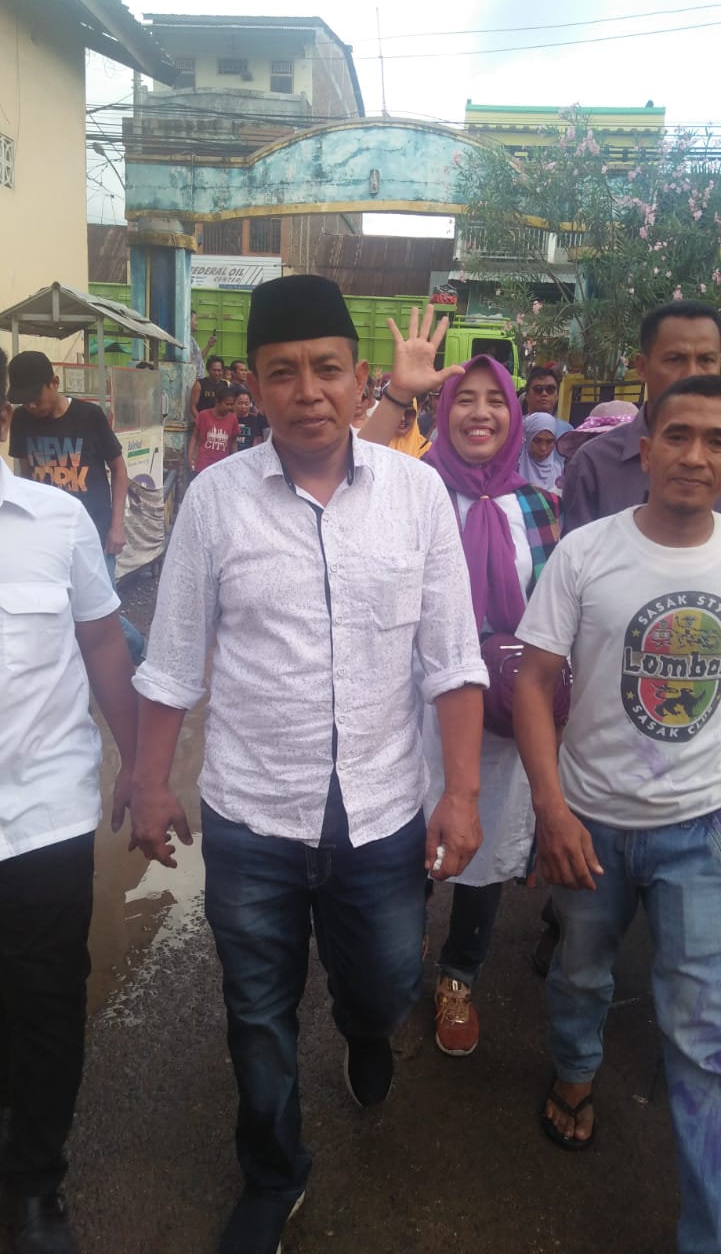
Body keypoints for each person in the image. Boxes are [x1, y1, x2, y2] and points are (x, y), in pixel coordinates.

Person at [129, 276, 487, 1254]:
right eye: (281, 372)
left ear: (359, 376)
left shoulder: (416, 495)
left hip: (383, 812)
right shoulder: (215, 502)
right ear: (253, 386)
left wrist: (460, 793)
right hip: (253, 815)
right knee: (257, 1010)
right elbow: (173, 658)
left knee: (385, 982)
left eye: (326, 368)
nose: (307, 391)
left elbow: (452, 659)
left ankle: (367, 1030)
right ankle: (273, 1172)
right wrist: (150, 781)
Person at [514, 373, 721, 1254]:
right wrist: (550, 811)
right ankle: (574, 1072)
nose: (695, 455)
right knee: (580, 976)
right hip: (588, 822)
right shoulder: (585, 552)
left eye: (715, 441)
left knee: (701, 1036)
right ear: (644, 450)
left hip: (698, 832)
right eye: (678, 435)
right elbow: (531, 683)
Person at [363, 321, 560, 1058]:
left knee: (486, 846)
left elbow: (555, 625)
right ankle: (401, 949)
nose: (480, 413)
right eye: (464, 400)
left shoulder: (540, 508)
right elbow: (348, 469)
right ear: (442, 415)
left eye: (495, 401)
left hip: (502, 716)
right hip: (411, 707)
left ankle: (459, 976)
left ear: (515, 413)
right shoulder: (411, 490)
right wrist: (396, 394)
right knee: (405, 836)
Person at [0, 349, 138, 1254]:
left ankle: (35, 1182)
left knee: (47, 1000)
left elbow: (102, 644)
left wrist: (142, 765)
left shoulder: (55, 522)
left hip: (42, 812)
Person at [7, 351, 145, 665]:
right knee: (63, 608)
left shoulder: (89, 416)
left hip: (96, 534)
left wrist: (117, 525)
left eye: (36, 397)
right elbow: (25, 475)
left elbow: (118, 469)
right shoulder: (23, 421)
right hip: (47, 536)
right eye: (24, 400)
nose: (31, 406)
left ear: (54, 383)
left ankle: (140, 652)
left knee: (101, 610)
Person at [563, 300, 721, 533]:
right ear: (642, 367)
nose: (691, 374)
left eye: (706, 360)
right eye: (675, 359)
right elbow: (579, 553)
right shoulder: (593, 463)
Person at [188, 383, 240, 475]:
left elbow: (233, 442)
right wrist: (190, 457)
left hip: (222, 465)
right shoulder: (203, 415)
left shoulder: (233, 419)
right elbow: (195, 437)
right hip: (202, 464)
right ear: (217, 402)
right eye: (226, 404)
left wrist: (234, 461)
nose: (229, 407)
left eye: (231, 404)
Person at [518, 413, 564, 492]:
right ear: (527, 439)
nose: (543, 448)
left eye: (549, 442)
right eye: (537, 441)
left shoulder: (559, 473)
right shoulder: (513, 470)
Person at [521, 366, 573, 435]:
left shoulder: (567, 431)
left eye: (550, 389)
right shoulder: (513, 427)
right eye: (538, 389)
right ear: (527, 396)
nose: (544, 393)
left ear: (557, 396)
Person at [190, 355, 225, 421]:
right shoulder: (199, 384)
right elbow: (193, 406)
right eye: (214, 370)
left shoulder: (225, 385)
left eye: (219, 370)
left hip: (220, 422)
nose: (217, 373)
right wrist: (201, 420)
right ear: (208, 370)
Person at [190, 309, 217, 380]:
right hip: (194, 380)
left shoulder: (191, 339)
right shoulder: (186, 340)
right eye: (195, 320)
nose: (197, 323)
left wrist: (209, 346)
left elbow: (198, 358)